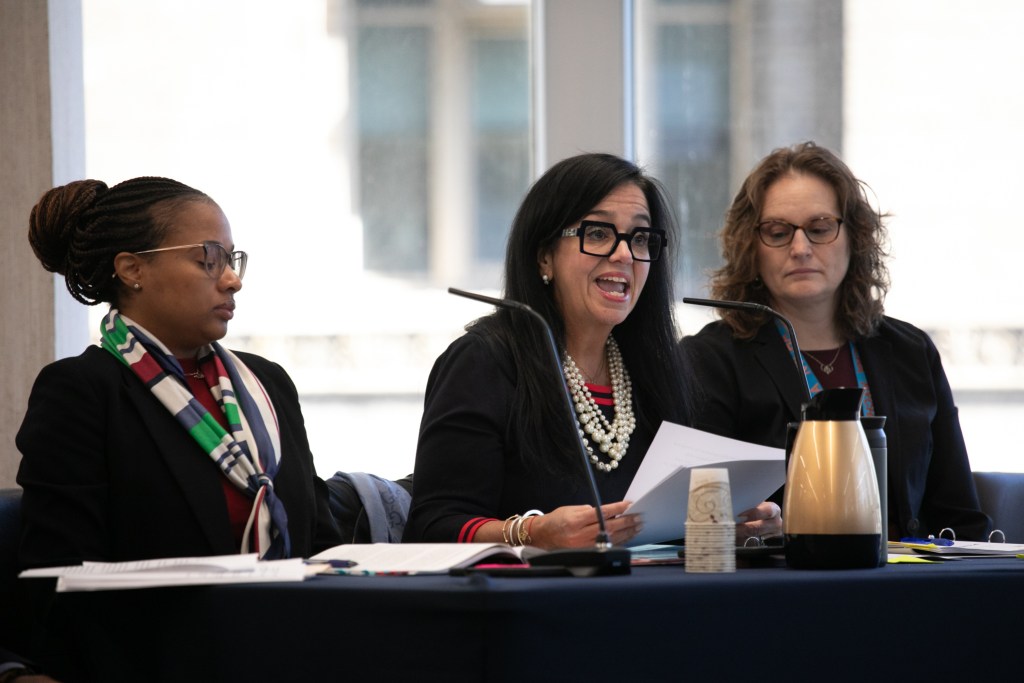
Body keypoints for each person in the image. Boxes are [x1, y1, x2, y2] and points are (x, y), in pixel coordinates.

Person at [404, 153, 781, 549]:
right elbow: (432, 527)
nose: (624, 254)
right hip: (524, 589)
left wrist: (723, 524)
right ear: (544, 255)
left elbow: (661, 531)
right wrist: (533, 533)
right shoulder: (483, 364)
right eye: (599, 233)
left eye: (640, 238)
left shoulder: (657, 372)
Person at [17, 177, 343, 570]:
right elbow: (59, 572)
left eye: (232, 260)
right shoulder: (80, 392)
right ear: (132, 269)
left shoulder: (267, 382)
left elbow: (322, 546)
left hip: (292, 608)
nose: (233, 280)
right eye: (209, 259)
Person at [680, 141, 991, 541]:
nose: (800, 248)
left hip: (907, 574)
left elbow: (961, 518)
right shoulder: (709, 359)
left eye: (820, 228)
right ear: (750, 247)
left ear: (854, 237)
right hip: (781, 574)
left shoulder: (912, 351)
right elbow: (697, 521)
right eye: (778, 232)